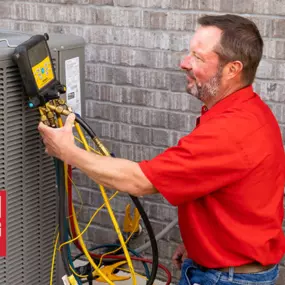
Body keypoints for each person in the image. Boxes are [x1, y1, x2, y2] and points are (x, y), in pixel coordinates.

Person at [38, 14, 285, 285]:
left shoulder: (230, 131)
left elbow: (138, 180)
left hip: (226, 279)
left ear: (232, 69)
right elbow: (240, 201)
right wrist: (203, 247)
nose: (183, 63)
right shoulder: (250, 111)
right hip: (226, 267)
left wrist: (68, 152)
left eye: (198, 57)